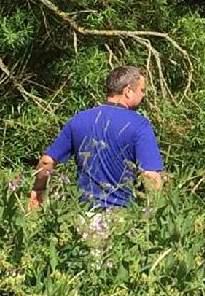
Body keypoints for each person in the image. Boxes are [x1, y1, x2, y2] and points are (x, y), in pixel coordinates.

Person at [28, 65, 164, 211]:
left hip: (84, 216)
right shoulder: (139, 124)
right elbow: (150, 176)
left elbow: (47, 161)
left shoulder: (79, 120)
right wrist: (156, 211)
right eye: (142, 90)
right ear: (128, 91)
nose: (143, 95)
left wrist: (38, 191)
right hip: (122, 218)